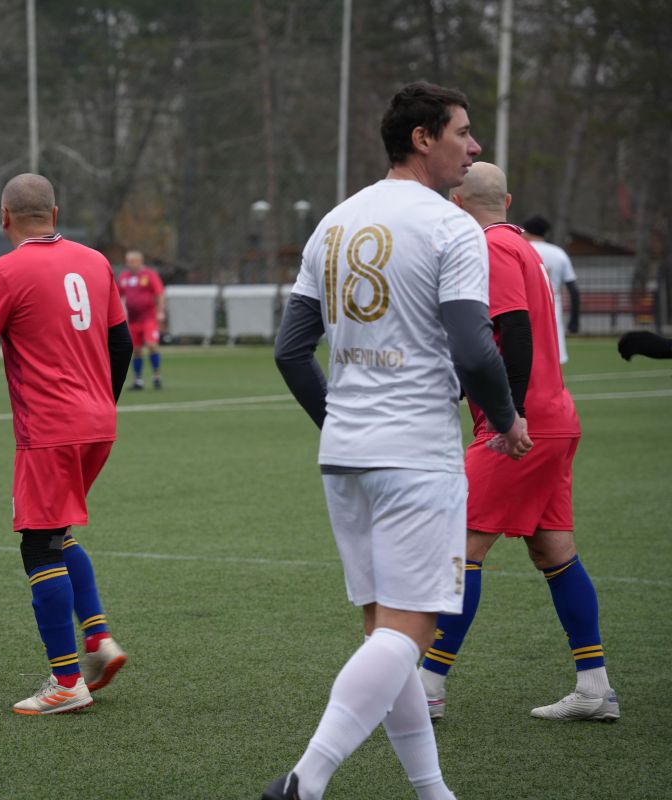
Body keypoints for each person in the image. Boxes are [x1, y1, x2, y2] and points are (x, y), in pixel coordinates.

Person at [266, 82, 531, 800]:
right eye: (463, 133)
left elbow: (290, 351)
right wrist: (506, 419)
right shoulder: (452, 227)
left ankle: (433, 791)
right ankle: (305, 781)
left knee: (386, 634)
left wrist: (343, 420)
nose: (473, 147)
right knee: (407, 633)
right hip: (415, 451)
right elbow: (474, 349)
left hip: (345, 454)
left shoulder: (334, 221)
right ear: (422, 138)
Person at [419, 162, 619, 723]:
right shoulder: (526, 247)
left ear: (456, 205)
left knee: (459, 545)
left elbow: (513, 330)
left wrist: (511, 416)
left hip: (521, 427)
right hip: (556, 419)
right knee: (553, 550)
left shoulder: (490, 248)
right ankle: (595, 688)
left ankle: (427, 687)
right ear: (506, 201)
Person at [0, 173, 133, 715]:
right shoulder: (95, 262)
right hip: (98, 423)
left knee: (38, 546)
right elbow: (121, 343)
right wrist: (101, 403)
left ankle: (66, 682)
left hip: (49, 429)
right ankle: (97, 639)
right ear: (55, 212)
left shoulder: (5, 270)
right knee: (57, 532)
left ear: (4, 217)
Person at [521, 215, 580, 364]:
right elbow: (574, 290)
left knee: (524, 357)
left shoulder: (521, 249)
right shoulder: (558, 253)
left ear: (526, 231)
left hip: (524, 306)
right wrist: (574, 321)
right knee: (553, 357)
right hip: (552, 308)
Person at [116, 249, 166, 389]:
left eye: (132, 261)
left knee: (151, 345)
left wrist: (161, 311)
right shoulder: (124, 277)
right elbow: (119, 296)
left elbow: (159, 294)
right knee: (135, 349)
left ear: (140, 261)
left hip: (149, 318)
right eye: (127, 261)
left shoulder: (149, 275)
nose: (129, 264)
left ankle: (156, 376)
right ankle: (138, 380)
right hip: (132, 320)